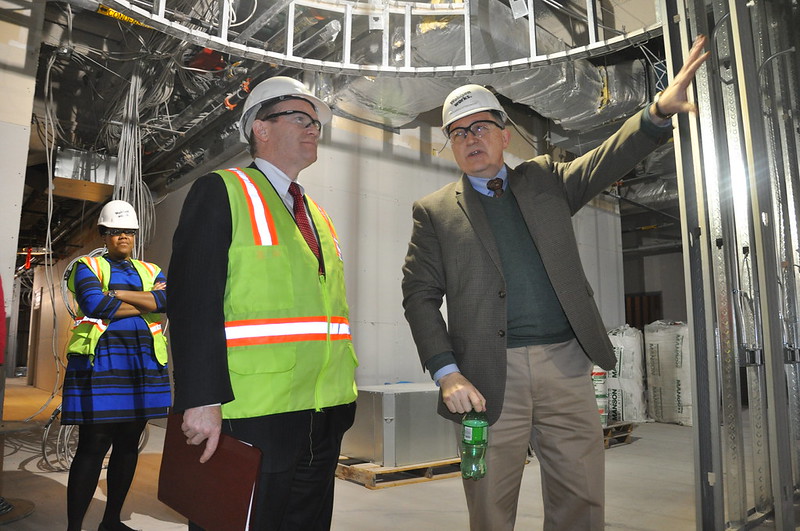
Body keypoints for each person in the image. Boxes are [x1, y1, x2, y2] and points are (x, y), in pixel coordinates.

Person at [401, 36, 710, 531]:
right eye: (457, 133)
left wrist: (655, 113)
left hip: (565, 364)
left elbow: (607, 157)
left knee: (581, 495)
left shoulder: (544, 180)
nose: (470, 138)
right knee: (488, 502)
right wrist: (446, 373)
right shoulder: (435, 212)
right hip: (484, 375)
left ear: (506, 135)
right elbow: (418, 297)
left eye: (481, 126)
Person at [168, 76, 358, 531]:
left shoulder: (318, 215)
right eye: (300, 118)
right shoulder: (222, 191)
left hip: (322, 413)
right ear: (261, 128)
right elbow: (193, 301)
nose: (313, 128)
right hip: (250, 413)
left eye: (315, 122)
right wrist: (200, 399)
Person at [63, 199, 170, 531]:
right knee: (92, 446)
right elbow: (94, 304)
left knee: (128, 444)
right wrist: (145, 301)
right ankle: (74, 528)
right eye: (116, 231)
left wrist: (117, 295)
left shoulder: (151, 270)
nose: (123, 236)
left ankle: (111, 522)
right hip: (102, 366)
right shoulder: (87, 267)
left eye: (129, 231)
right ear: (104, 234)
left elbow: (167, 301)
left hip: (142, 365)